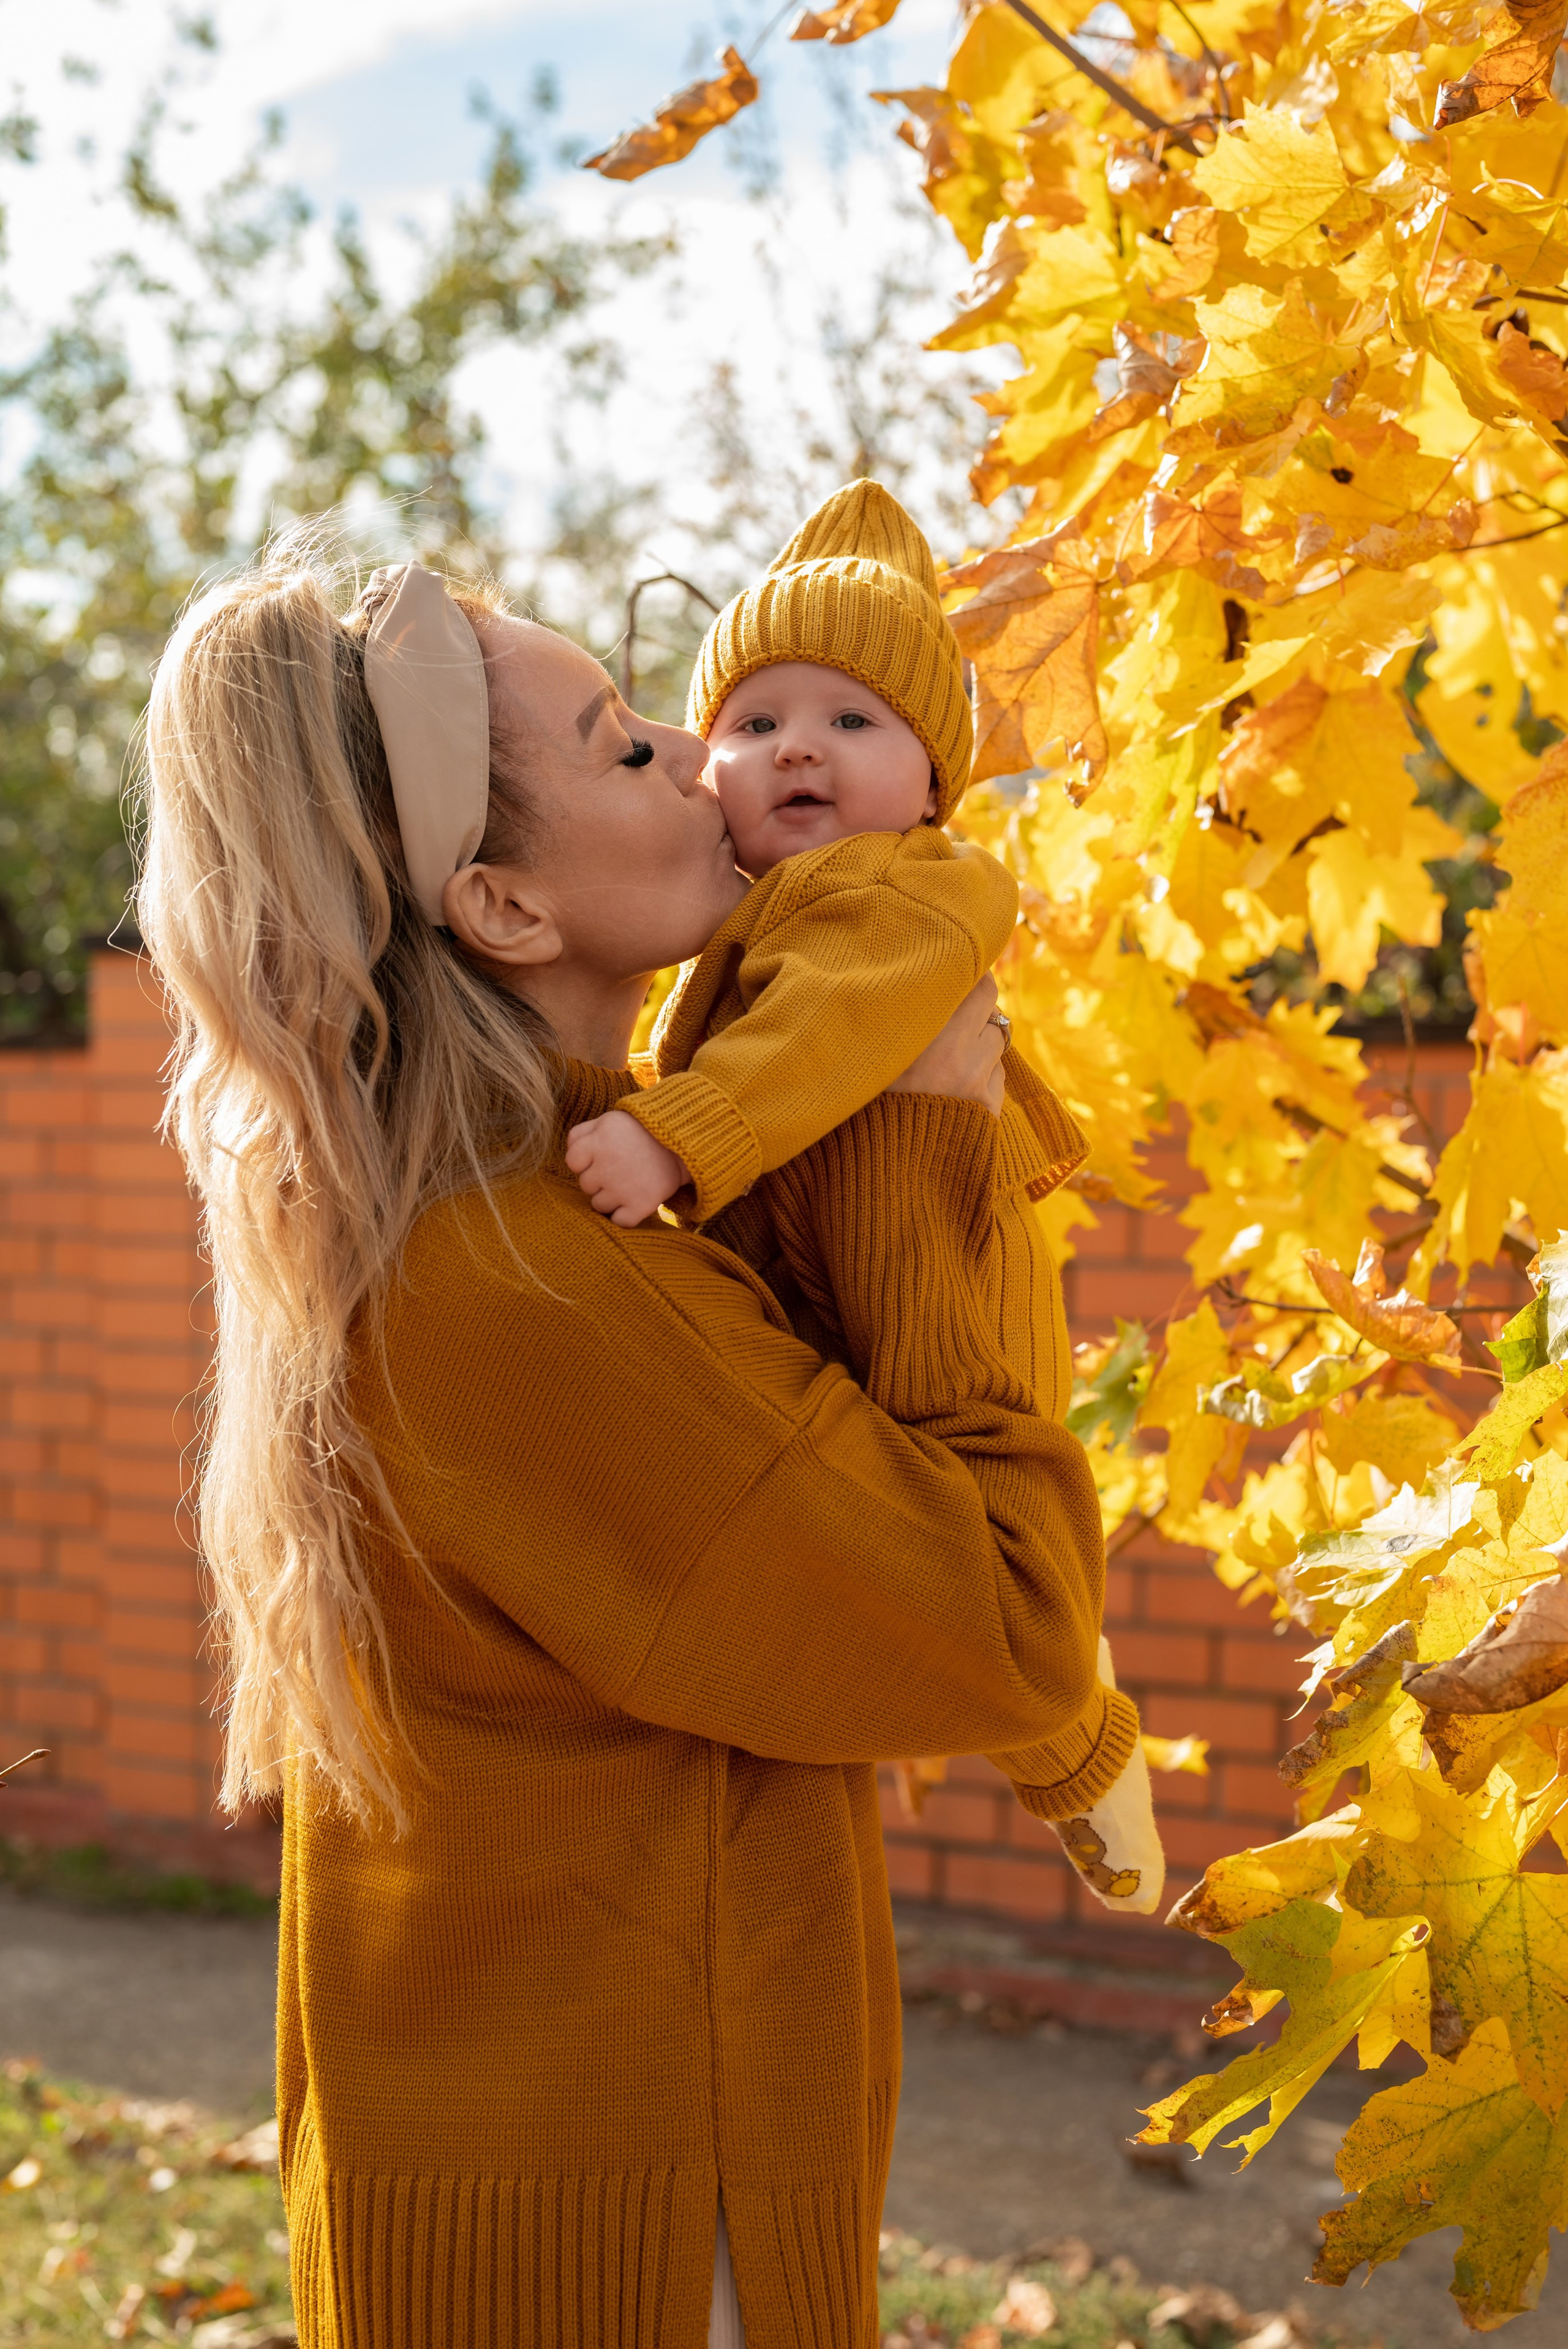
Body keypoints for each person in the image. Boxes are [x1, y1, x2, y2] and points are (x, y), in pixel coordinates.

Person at [137, 545, 1137, 2349]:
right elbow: (1010, 1626)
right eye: (619, 748)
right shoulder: (530, 1286)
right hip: (635, 2239)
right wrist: (923, 1134)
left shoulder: (517, 1224)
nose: (704, 754)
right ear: (506, 908)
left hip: (566, 2202)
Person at [565, 480, 1163, 1918]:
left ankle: (1077, 1747)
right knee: (895, 1557)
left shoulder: (907, 893)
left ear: (935, 783)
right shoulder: (764, 905)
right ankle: (1067, 1739)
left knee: (963, 1550)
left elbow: (822, 1031)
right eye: (756, 723)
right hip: (837, 1274)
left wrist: (674, 1132)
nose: (795, 753)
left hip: (933, 1271)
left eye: (852, 723)